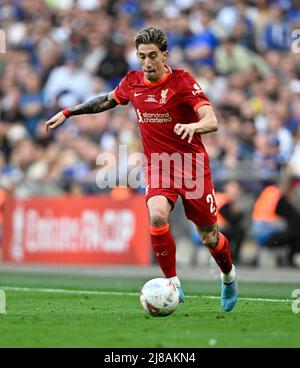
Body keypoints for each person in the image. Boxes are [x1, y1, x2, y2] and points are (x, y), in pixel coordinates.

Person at [45, 27, 238, 312]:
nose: (146, 63)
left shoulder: (182, 81)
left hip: (192, 167)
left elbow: (212, 119)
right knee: (157, 215)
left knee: (209, 235)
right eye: (141, 56)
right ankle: (173, 283)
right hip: (159, 166)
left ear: (164, 55)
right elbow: (106, 100)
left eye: (152, 56)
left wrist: (194, 126)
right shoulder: (133, 81)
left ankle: (228, 276)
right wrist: (68, 112)